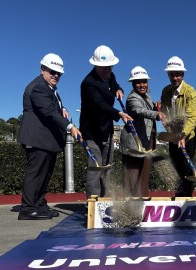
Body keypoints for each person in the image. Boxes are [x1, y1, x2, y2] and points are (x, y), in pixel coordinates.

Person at [17, 53, 81, 220]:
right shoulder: (38, 87)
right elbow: (48, 112)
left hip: (46, 140)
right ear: (42, 69)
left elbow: (53, 107)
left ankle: (39, 205)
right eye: (52, 71)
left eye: (59, 73)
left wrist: (63, 108)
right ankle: (28, 208)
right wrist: (70, 126)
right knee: (36, 174)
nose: (56, 75)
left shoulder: (49, 89)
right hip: (37, 139)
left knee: (44, 175)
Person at [79, 45, 132, 199]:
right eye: (103, 68)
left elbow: (114, 84)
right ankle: (93, 204)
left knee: (107, 168)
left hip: (106, 129)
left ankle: (104, 200)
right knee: (96, 168)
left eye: (109, 67)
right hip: (91, 132)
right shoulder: (88, 83)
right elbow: (99, 105)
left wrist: (119, 89)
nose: (107, 71)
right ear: (95, 65)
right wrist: (119, 113)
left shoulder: (111, 75)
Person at [120, 66, 165, 197]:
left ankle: (142, 204)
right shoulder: (132, 98)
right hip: (134, 142)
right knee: (132, 177)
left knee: (144, 175)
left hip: (146, 141)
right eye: (138, 82)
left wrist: (157, 106)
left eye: (144, 82)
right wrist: (157, 114)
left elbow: (149, 108)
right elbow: (140, 111)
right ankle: (130, 208)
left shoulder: (147, 97)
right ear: (133, 84)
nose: (142, 85)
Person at [160, 56, 196, 196]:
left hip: (187, 136)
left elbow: (192, 116)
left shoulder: (190, 91)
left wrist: (183, 135)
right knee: (175, 166)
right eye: (172, 74)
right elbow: (165, 112)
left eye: (178, 74)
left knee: (186, 168)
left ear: (182, 75)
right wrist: (166, 123)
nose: (175, 78)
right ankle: (178, 197)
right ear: (168, 75)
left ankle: (187, 199)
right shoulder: (165, 92)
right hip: (173, 135)